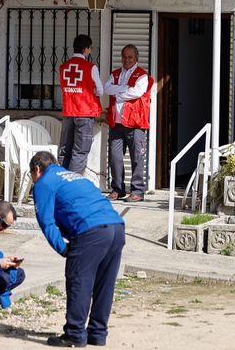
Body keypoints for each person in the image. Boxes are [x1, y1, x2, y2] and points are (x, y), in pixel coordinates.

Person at [29, 151, 125, 347]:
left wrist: (63, 249)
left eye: (31, 174)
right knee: (104, 285)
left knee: (79, 281)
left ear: (37, 169)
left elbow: (46, 223)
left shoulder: (44, 183)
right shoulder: (75, 177)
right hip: (116, 227)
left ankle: (74, 334)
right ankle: (97, 334)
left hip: (91, 231)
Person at [104, 44, 153, 203]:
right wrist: (124, 88)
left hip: (135, 123)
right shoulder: (116, 73)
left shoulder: (142, 76)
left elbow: (137, 92)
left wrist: (118, 92)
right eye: (124, 57)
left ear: (136, 58)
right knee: (115, 156)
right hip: (116, 123)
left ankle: (137, 191)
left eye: (130, 57)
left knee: (137, 157)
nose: (127, 60)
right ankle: (118, 189)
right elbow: (107, 88)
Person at [58, 34, 103, 176]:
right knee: (80, 151)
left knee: (65, 149)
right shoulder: (91, 67)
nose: (90, 51)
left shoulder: (63, 67)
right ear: (85, 49)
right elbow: (100, 91)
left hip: (68, 112)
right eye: (90, 48)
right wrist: (93, 90)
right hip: (85, 112)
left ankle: (62, 181)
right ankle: (72, 185)